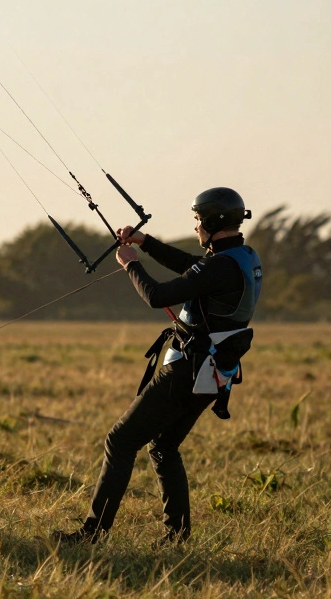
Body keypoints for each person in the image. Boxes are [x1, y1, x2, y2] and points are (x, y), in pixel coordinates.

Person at [54, 187, 263, 546]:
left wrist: (131, 263)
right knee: (163, 447)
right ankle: (176, 537)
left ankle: (92, 535)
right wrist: (145, 242)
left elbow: (157, 297)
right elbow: (191, 268)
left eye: (199, 220)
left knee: (120, 441)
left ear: (212, 221)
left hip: (188, 371)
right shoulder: (241, 257)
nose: (196, 226)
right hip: (212, 374)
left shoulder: (219, 266)